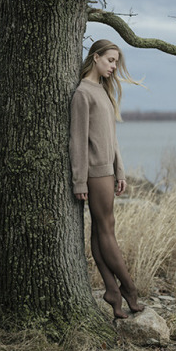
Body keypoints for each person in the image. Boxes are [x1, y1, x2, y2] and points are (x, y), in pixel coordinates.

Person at [69, 39, 145, 319]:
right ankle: (130, 289)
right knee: (106, 231)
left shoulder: (102, 91)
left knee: (99, 233)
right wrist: (79, 181)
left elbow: (112, 139)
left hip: (107, 171)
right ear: (96, 57)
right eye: (111, 60)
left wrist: (121, 171)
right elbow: (77, 141)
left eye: (116, 62)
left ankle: (112, 290)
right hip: (94, 173)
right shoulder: (82, 94)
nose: (114, 66)